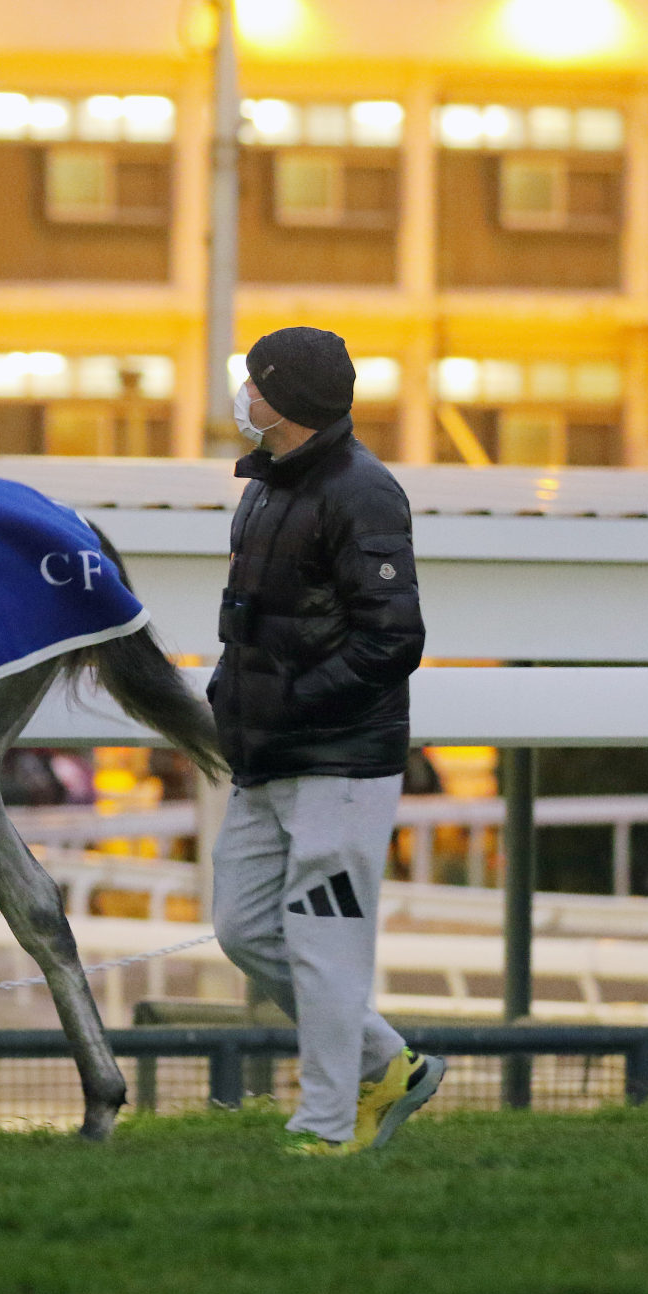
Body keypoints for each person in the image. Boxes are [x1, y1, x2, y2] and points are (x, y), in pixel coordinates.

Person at [207, 325, 443, 1157]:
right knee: (242, 929)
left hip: (339, 766)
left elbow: (393, 640)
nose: (242, 392)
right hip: (268, 759)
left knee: (325, 947)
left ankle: (327, 1129)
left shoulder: (363, 491)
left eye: (253, 380)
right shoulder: (267, 486)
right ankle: (390, 1063)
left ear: (288, 398)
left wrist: (293, 707)